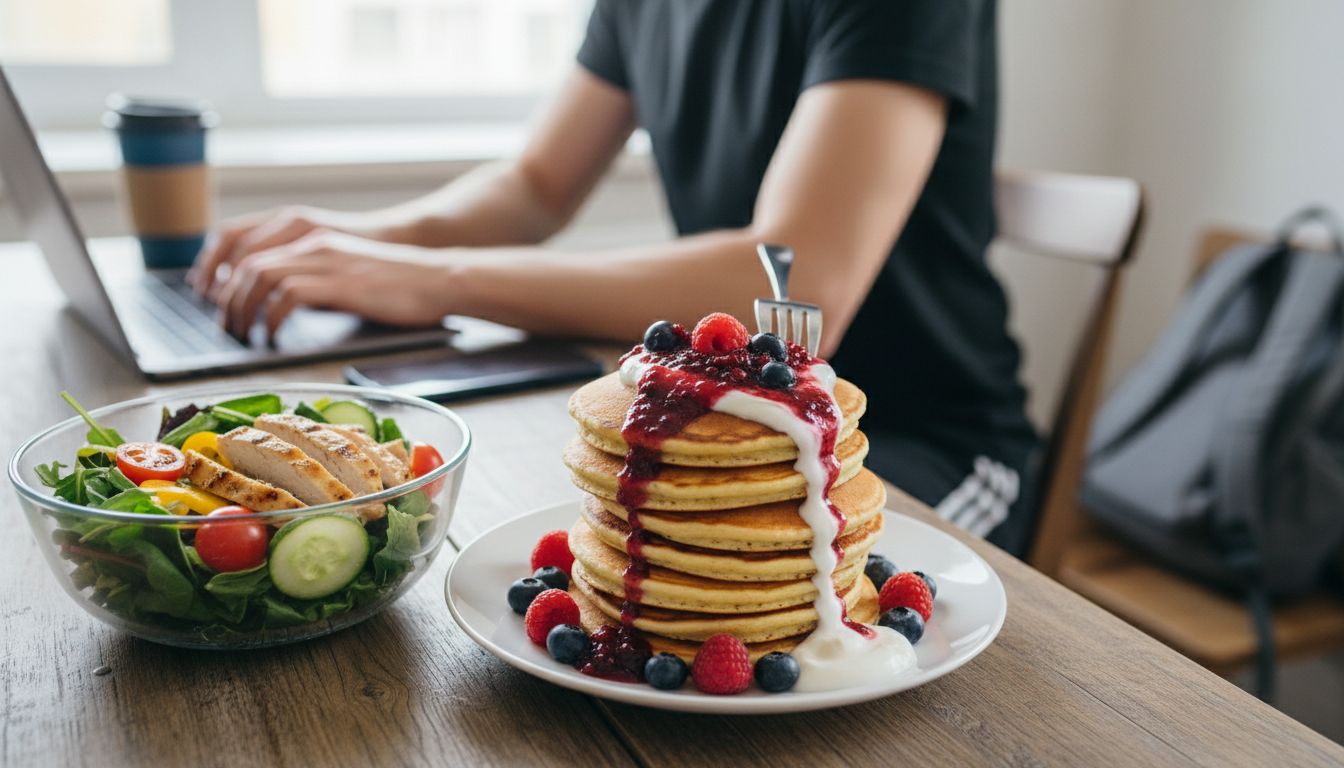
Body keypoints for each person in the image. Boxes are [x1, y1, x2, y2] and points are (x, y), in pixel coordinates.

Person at [191, 0, 1040, 554]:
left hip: (923, 439)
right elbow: (535, 186)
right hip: (734, 424)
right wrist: (355, 241)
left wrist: (433, 278)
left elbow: (799, 279)